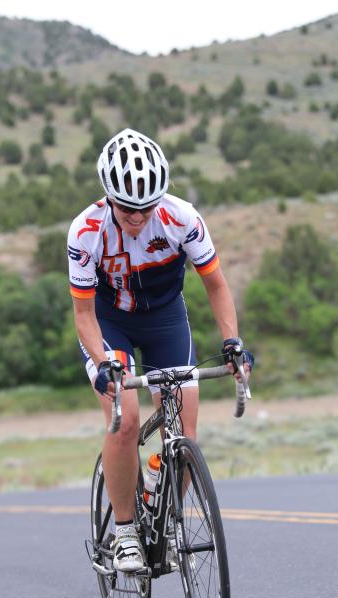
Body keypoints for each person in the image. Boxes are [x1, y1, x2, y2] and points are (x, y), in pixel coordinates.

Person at [67, 127, 254, 572]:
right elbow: (83, 315)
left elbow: (216, 284)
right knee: (125, 418)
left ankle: (160, 487)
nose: (138, 216)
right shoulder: (86, 231)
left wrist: (232, 343)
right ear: (109, 197)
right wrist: (104, 363)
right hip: (108, 322)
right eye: (129, 208)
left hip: (164, 317)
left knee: (185, 425)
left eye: (147, 206)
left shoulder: (183, 218)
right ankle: (127, 532)